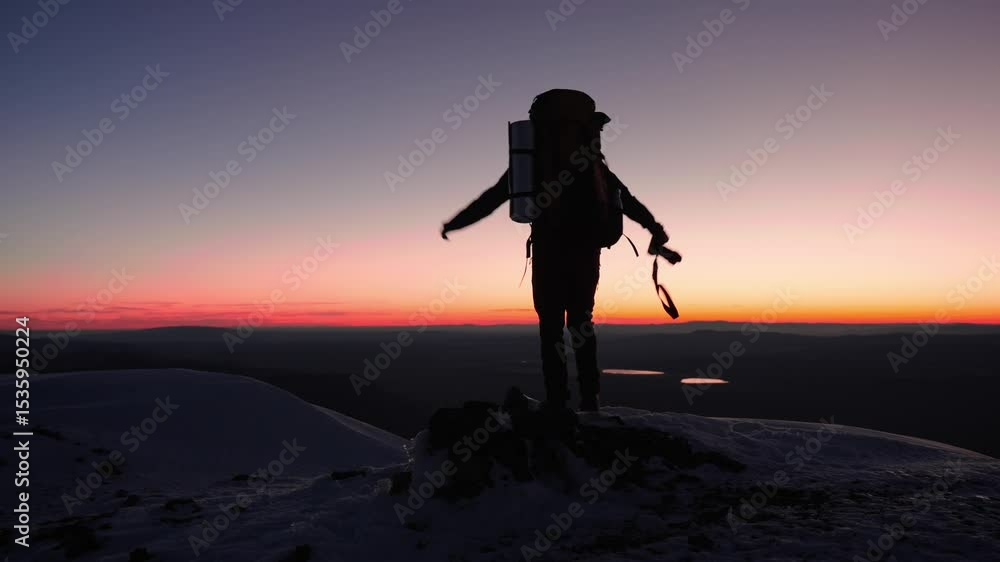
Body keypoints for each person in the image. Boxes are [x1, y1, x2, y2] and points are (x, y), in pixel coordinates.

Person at [440, 89, 668, 412]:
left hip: (549, 252)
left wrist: (456, 223)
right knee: (582, 322)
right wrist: (655, 228)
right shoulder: (592, 165)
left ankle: (557, 401)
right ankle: (590, 400)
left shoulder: (533, 162)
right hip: (585, 254)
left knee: (550, 328)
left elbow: (492, 198)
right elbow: (627, 201)